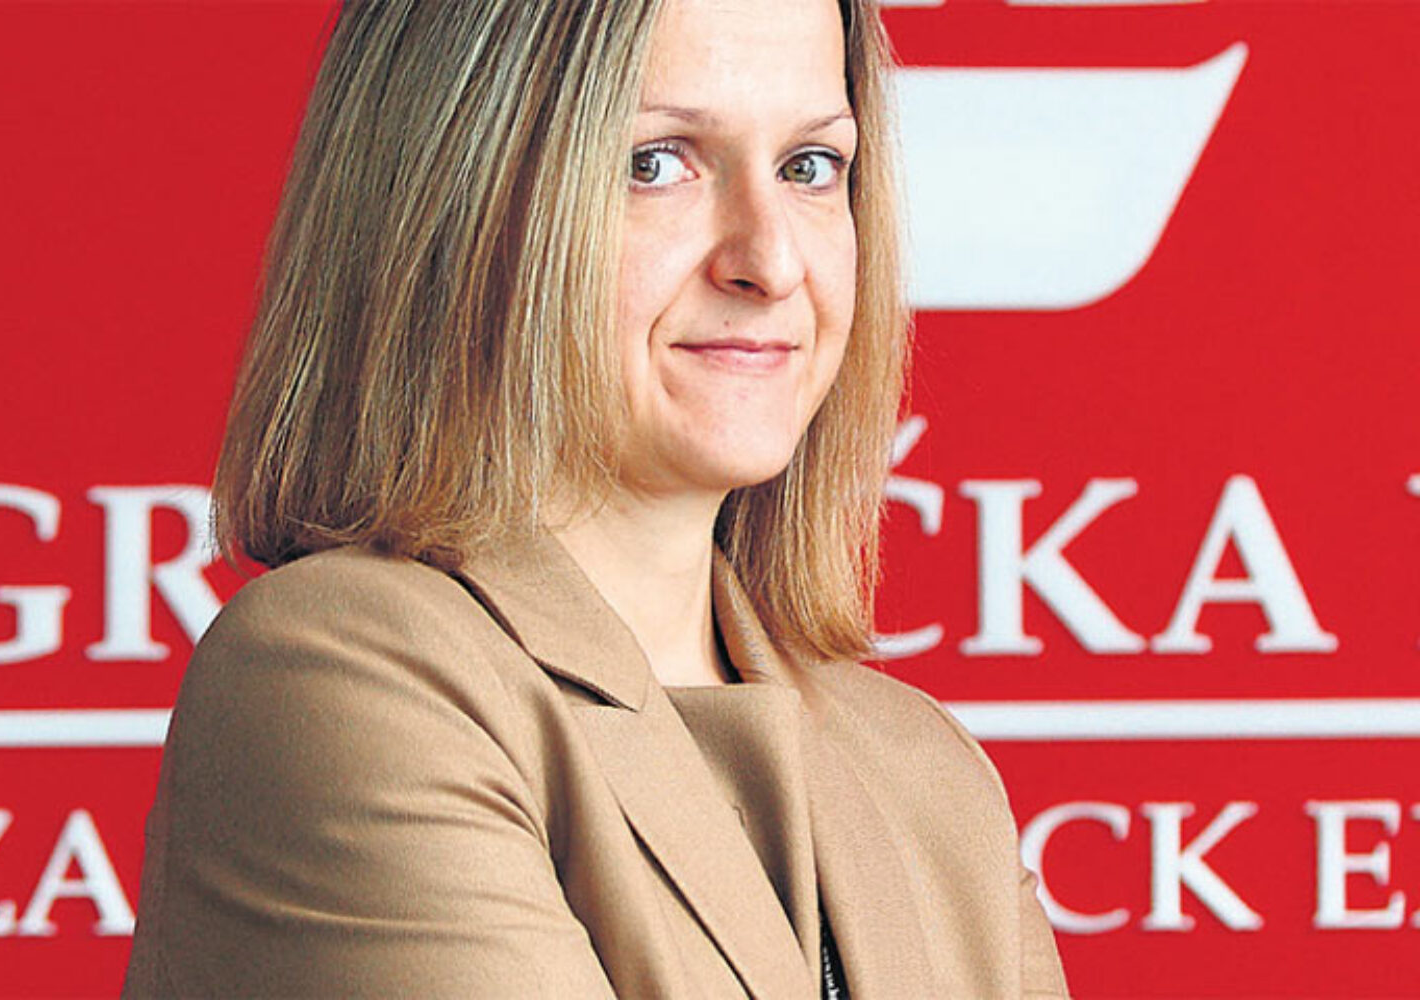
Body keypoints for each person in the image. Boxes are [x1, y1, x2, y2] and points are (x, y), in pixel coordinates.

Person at [123, 0, 1069, 996]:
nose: (771, 260)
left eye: (809, 167)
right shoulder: (339, 677)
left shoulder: (925, 772)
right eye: (654, 163)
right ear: (453, 199)